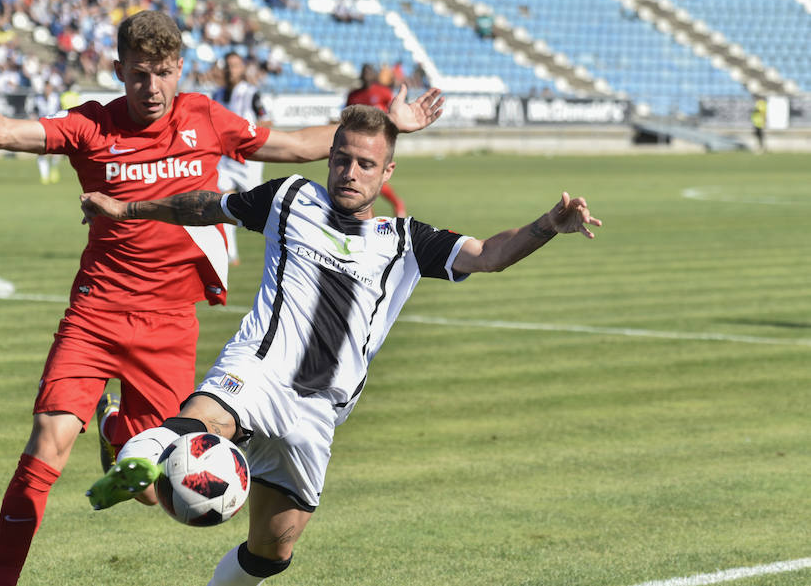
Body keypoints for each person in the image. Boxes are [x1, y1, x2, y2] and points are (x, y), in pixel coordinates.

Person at [0, 10, 444, 586]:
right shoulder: (91, 126)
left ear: (180, 70)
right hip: (95, 312)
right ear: (119, 69)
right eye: (141, 74)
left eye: (165, 72)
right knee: (47, 445)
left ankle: (117, 428)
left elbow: (295, 146)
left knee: (153, 488)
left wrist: (387, 125)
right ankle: (1, 580)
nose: (153, 87)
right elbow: (5, 131)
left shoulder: (205, 118)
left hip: (171, 323)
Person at [80, 104, 601, 586]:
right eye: (342, 159)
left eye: (365, 164)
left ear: (387, 173)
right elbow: (207, 205)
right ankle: (144, 447)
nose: (350, 172)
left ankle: (123, 440)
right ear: (329, 159)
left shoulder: (405, 241)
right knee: (205, 424)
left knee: (270, 552)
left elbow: (490, 254)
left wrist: (546, 226)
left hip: (318, 410)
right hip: (260, 369)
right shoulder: (289, 198)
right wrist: (126, 210)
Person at [212, 51, 273, 265]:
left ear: (242, 68)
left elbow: (267, 121)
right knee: (223, 200)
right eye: (228, 65)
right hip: (226, 161)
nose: (231, 70)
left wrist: (248, 135)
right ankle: (231, 255)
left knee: (260, 207)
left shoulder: (252, 94)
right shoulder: (217, 95)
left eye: (235, 65)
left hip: (249, 162)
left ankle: (282, 240)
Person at [346, 63, 406, 216]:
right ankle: (369, 215)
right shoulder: (354, 95)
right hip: (357, 143)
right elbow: (347, 117)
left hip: (378, 141)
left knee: (372, 176)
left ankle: (395, 204)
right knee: (364, 177)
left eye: (369, 72)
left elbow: (393, 113)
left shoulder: (383, 92)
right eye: (364, 72)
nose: (366, 75)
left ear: (373, 75)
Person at [33, 82, 62, 184]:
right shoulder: (38, 99)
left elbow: (61, 112)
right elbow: (34, 112)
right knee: (41, 152)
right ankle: (44, 176)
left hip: (55, 127)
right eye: (46, 88)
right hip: (41, 127)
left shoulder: (56, 98)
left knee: (55, 152)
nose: (47, 90)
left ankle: (54, 169)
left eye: (49, 88)